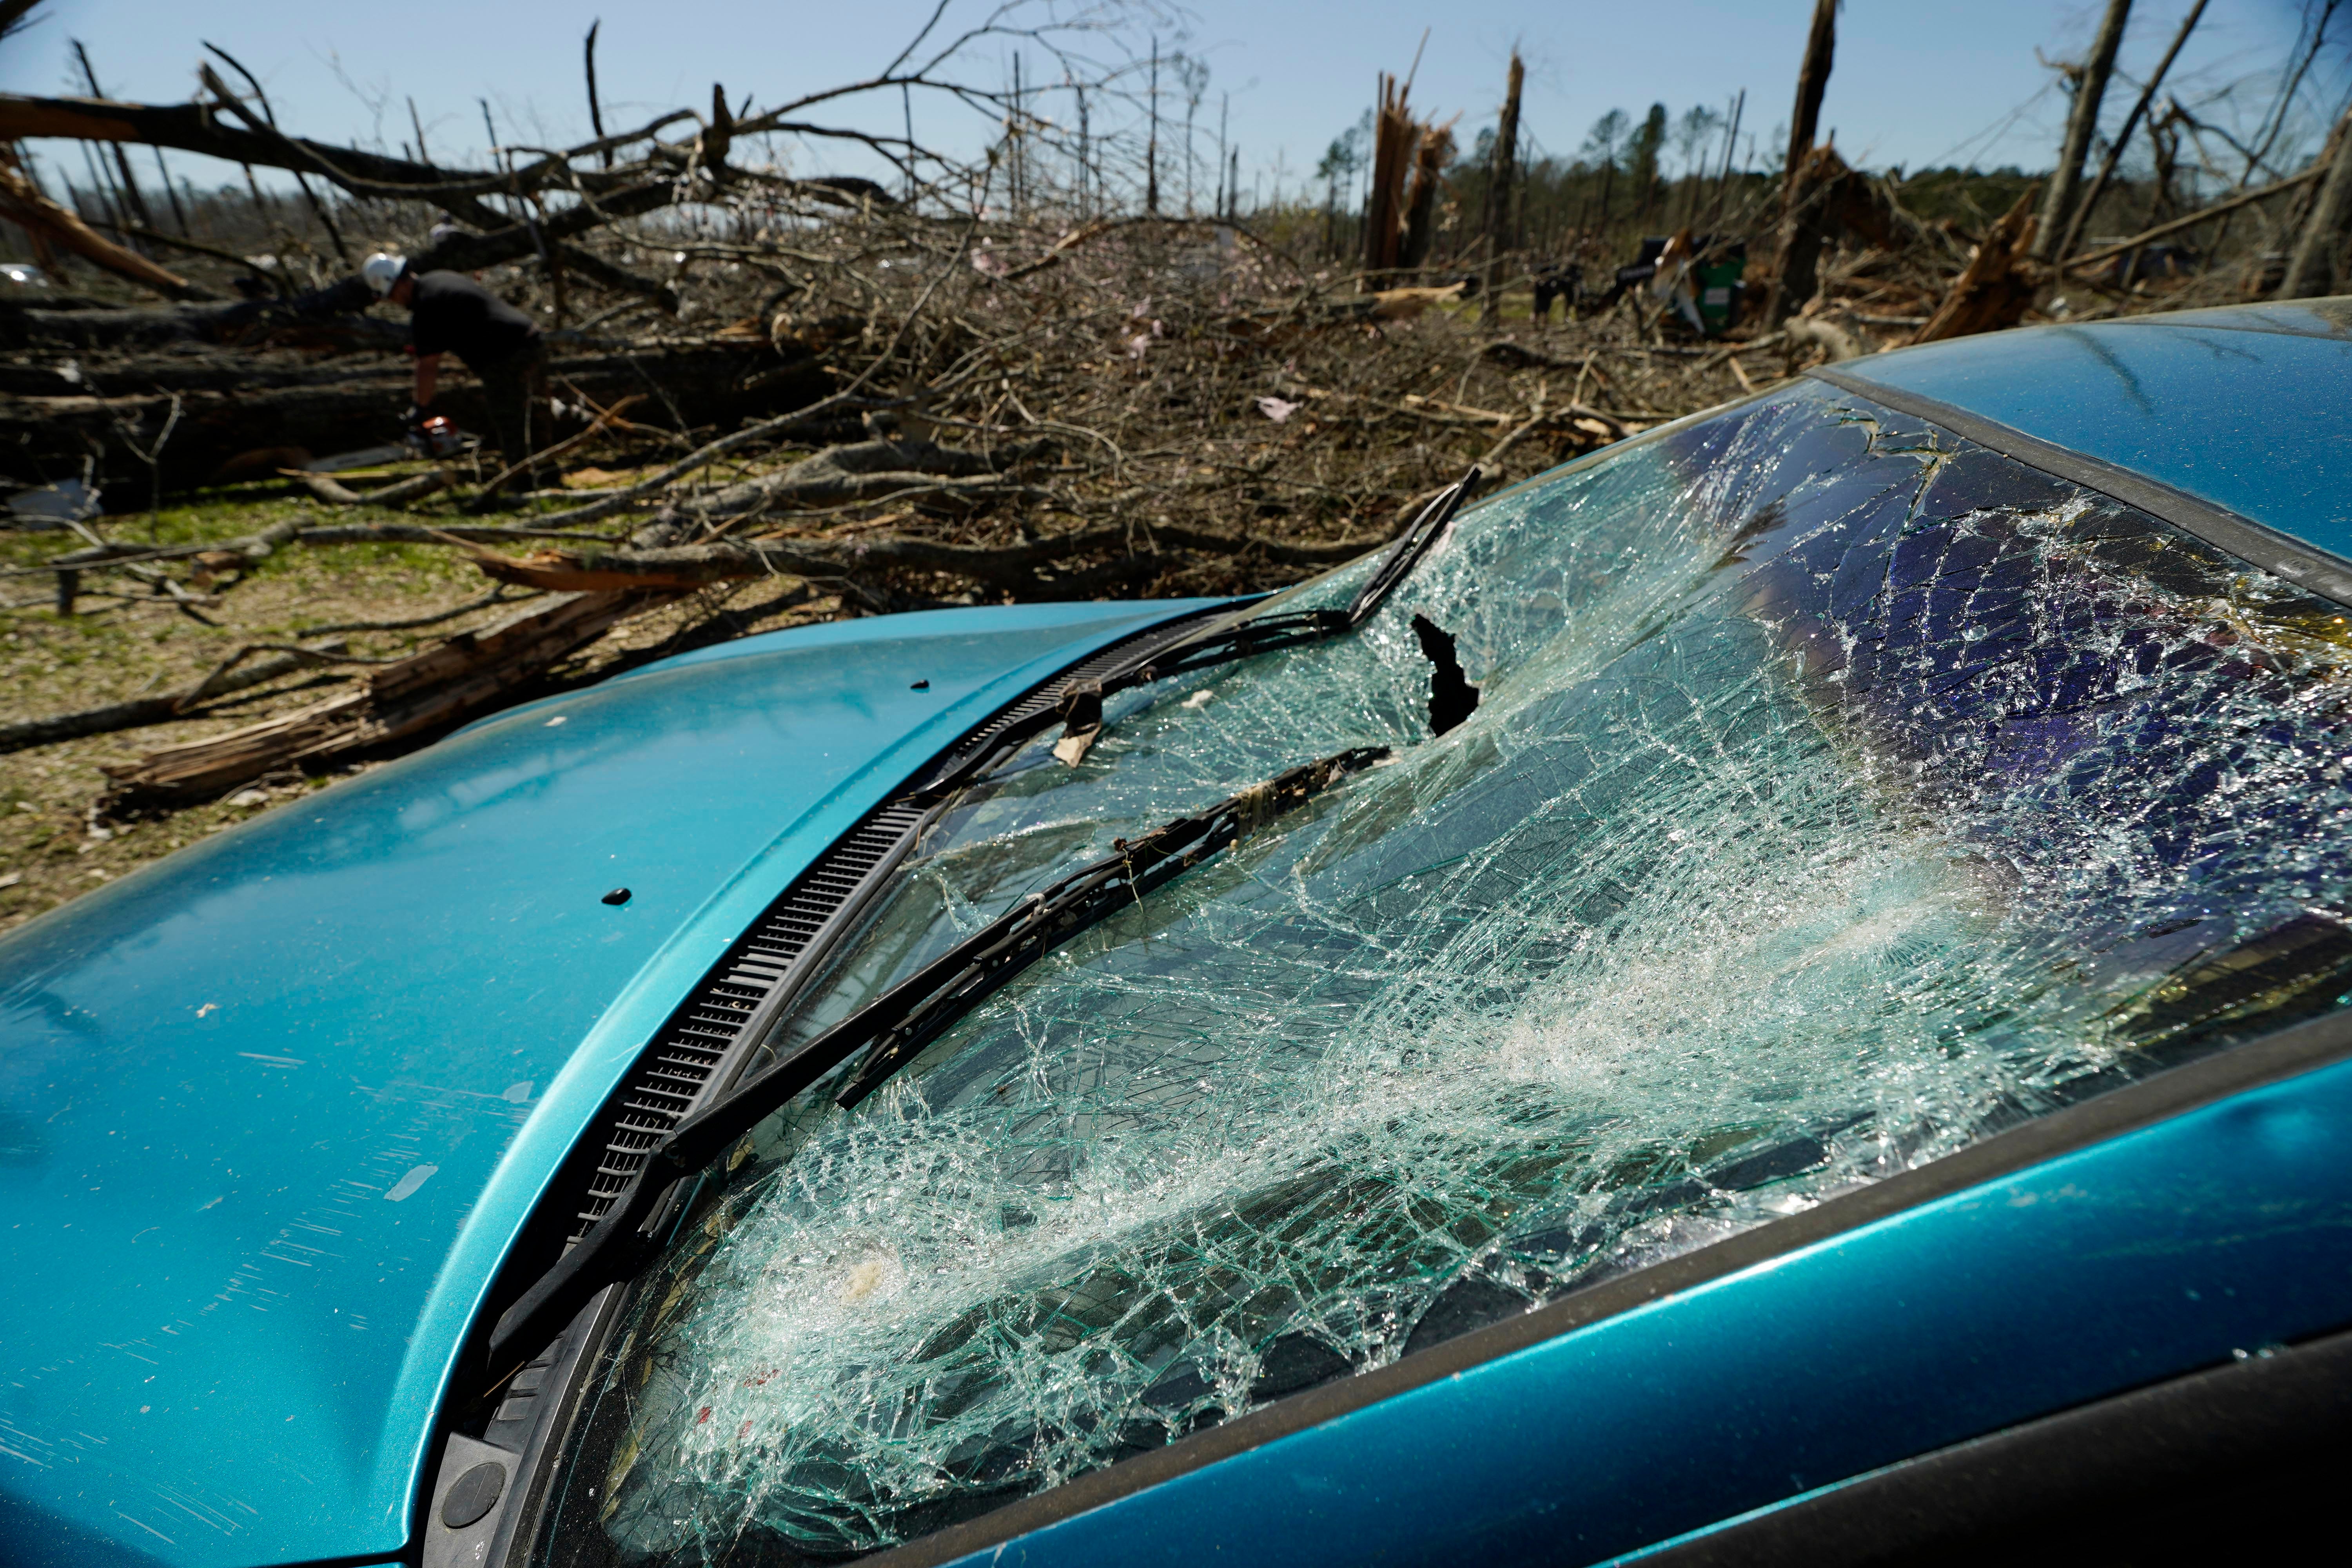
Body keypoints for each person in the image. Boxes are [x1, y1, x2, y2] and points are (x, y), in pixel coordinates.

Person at [361, 252, 549, 490]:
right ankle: (548, 474)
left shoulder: (426, 307)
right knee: (537, 413)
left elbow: (428, 366)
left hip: (506, 355)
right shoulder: (439, 279)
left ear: (397, 284)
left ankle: (523, 485)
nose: (394, 301)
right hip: (532, 339)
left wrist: (420, 408)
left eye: (391, 296)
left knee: (510, 420)